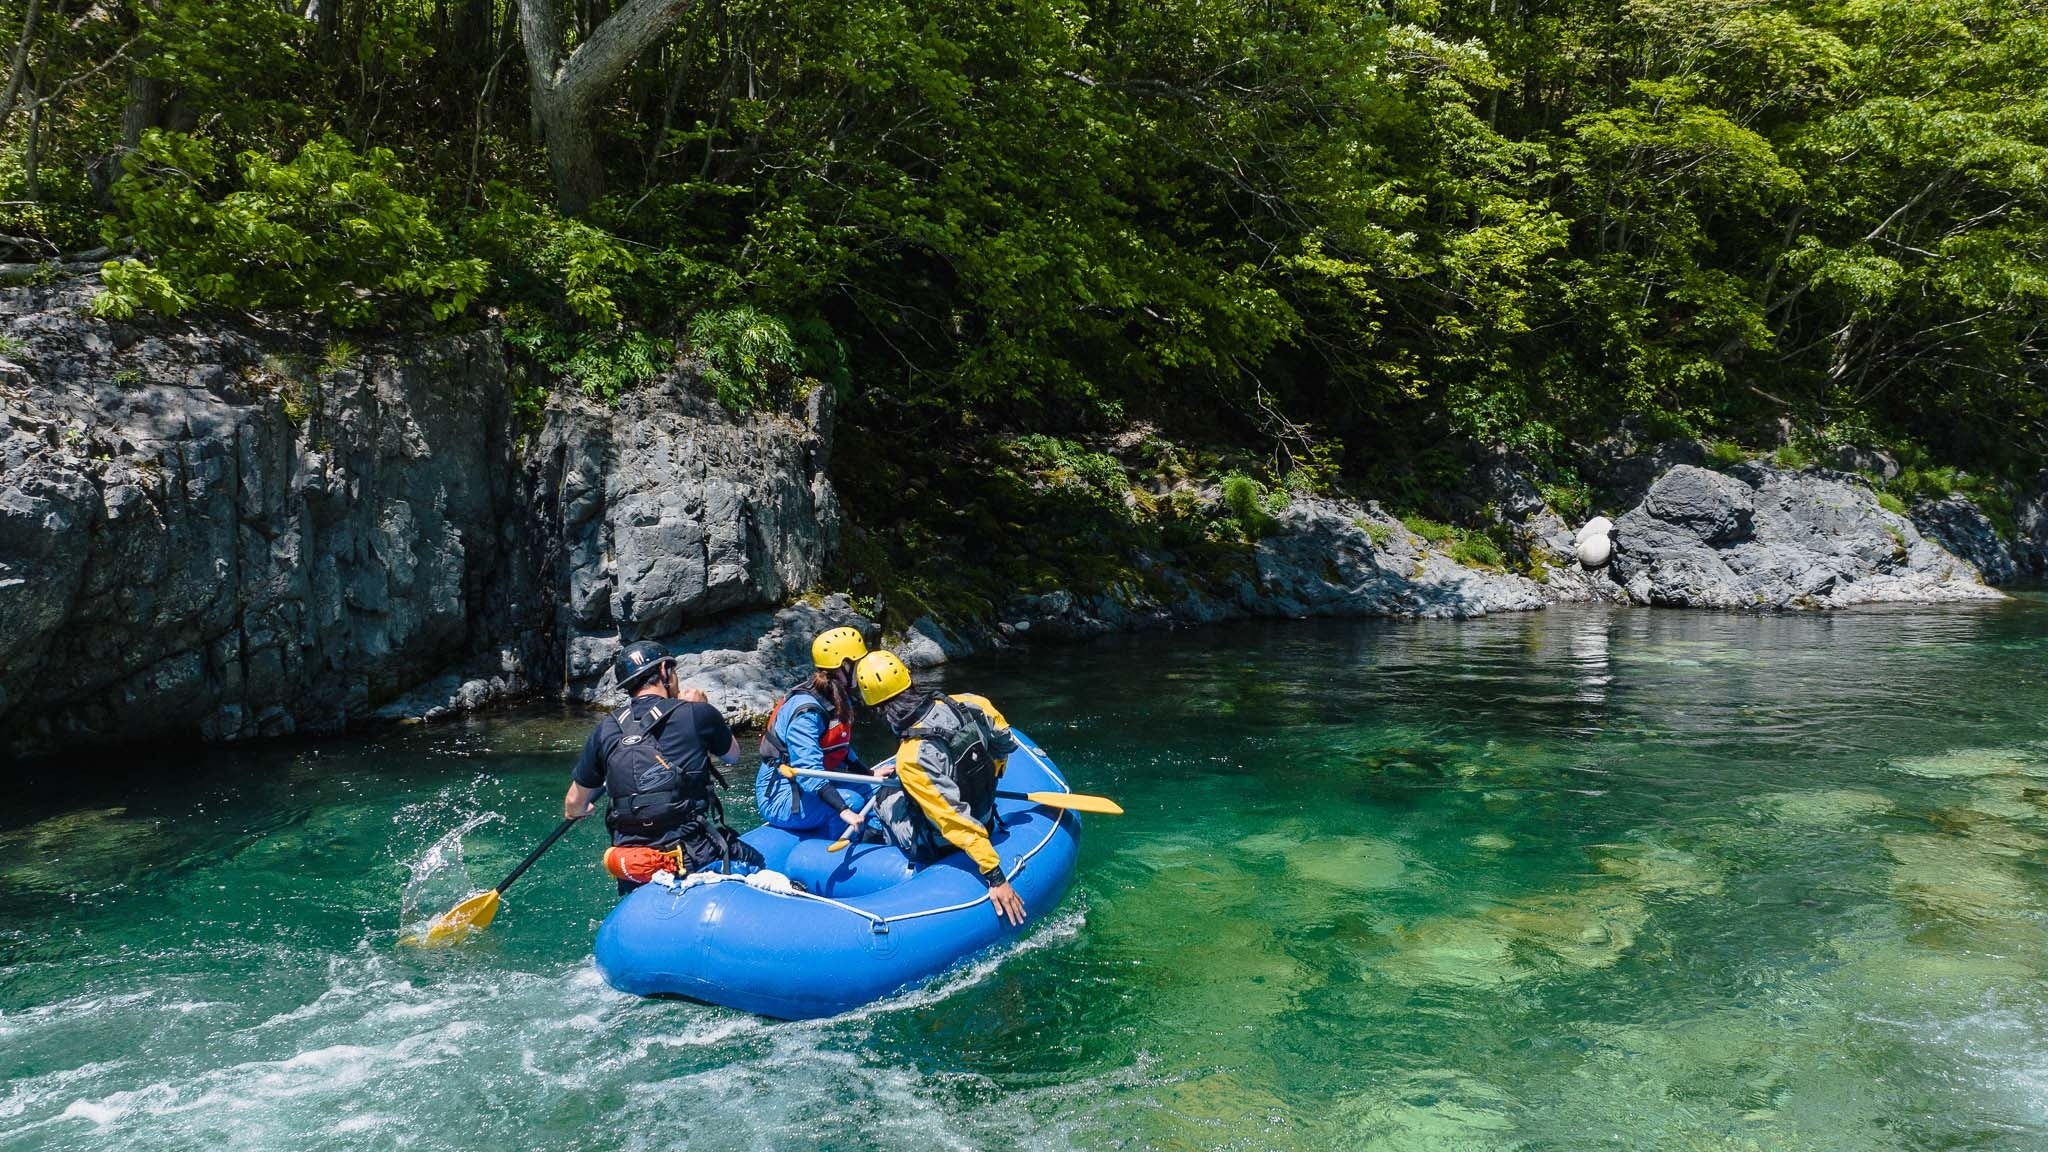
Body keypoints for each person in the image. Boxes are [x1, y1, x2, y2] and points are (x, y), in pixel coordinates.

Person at [563, 640, 763, 892]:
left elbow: (573, 802)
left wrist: (581, 808)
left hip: (634, 866)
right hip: (694, 855)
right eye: (674, 671)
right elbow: (733, 755)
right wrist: (704, 707)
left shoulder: (606, 728)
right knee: (758, 863)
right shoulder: (696, 713)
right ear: (663, 671)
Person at [853, 649, 1027, 926]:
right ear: (908, 680)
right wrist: (994, 770)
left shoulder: (911, 757)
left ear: (877, 708)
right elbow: (1005, 741)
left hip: (942, 844)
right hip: (986, 815)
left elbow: (954, 820)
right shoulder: (969, 702)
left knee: (885, 795)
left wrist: (996, 877)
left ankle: (876, 838)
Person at [755, 626, 891, 833]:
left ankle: (889, 837)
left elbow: (840, 746)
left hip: (811, 785)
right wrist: (843, 809)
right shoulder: (807, 711)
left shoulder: (838, 695)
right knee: (851, 801)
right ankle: (838, 850)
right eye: (858, 664)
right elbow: (807, 769)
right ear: (844, 666)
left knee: (882, 786)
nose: (863, 669)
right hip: (780, 794)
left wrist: (868, 773)